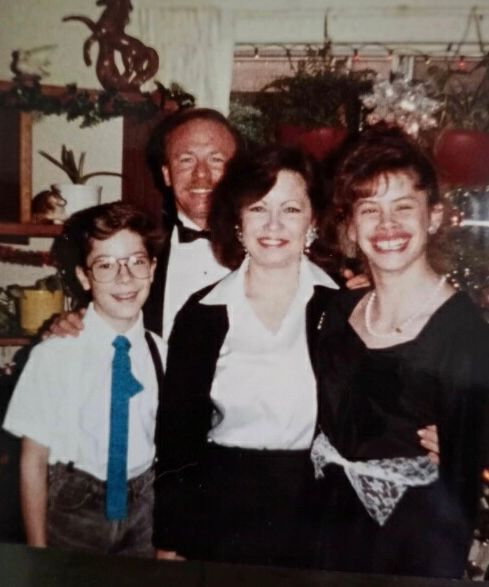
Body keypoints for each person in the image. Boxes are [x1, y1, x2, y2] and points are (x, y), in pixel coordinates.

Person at [152, 144, 440, 567]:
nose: (273, 224)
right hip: (219, 512)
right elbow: (177, 438)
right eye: (258, 208)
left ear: (313, 220)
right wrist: (170, 538)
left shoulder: (349, 308)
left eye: (290, 209)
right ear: (237, 219)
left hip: (318, 512)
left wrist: (440, 432)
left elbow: (386, 409)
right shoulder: (202, 314)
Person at [310, 125, 489, 578]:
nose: (387, 225)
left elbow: (462, 490)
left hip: (410, 552)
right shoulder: (339, 312)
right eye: (369, 209)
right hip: (327, 534)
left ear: (433, 216)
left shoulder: (462, 333)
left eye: (403, 207)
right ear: (351, 226)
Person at [3, 202, 164, 557]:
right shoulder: (54, 354)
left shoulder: (161, 352)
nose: (124, 278)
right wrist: (37, 552)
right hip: (74, 507)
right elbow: (32, 460)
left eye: (136, 262)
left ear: (152, 269)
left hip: (145, 508)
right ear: (84, 276)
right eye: (105, 265)